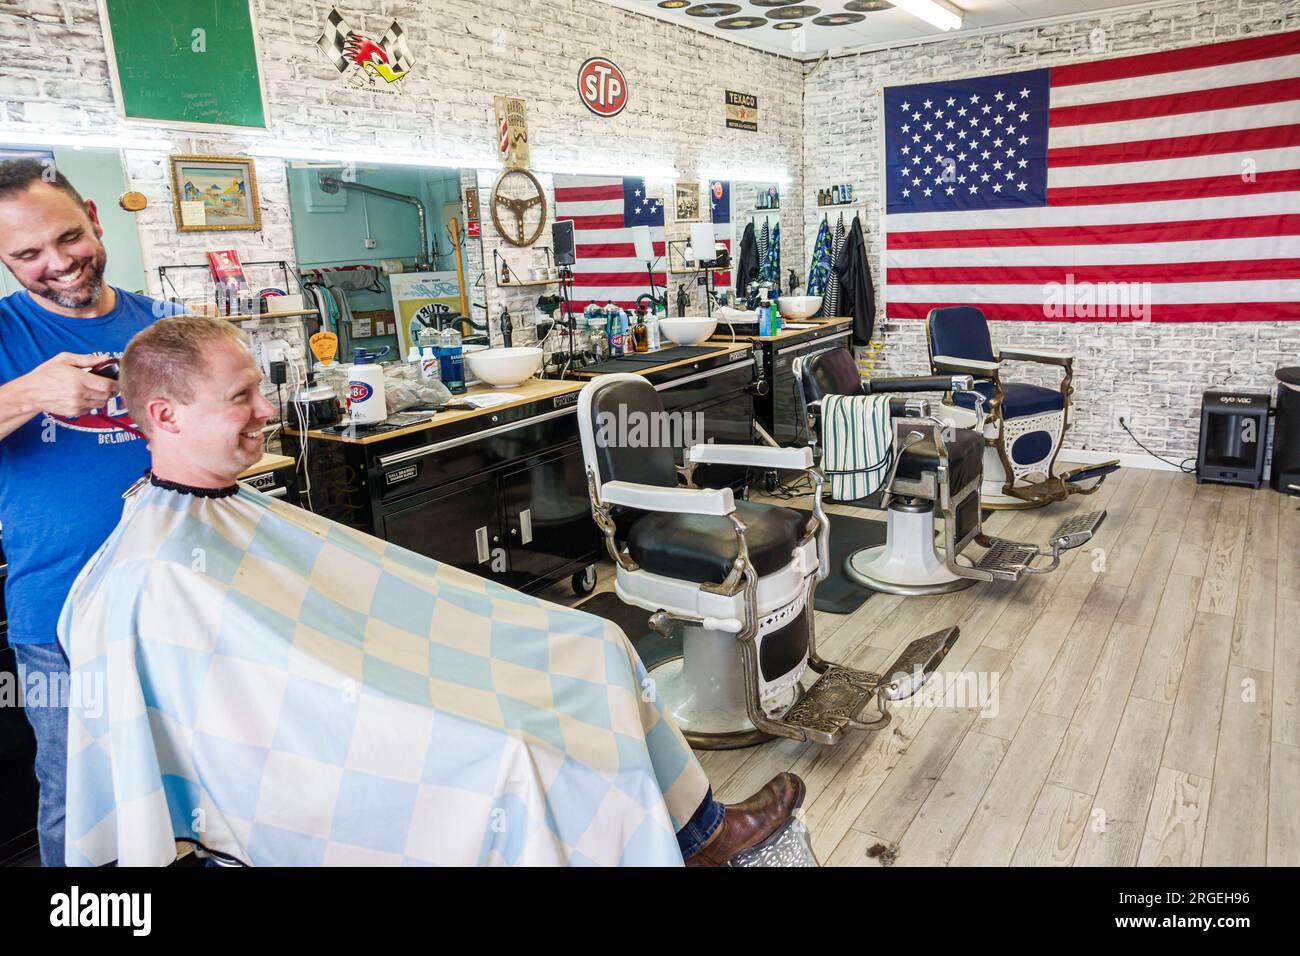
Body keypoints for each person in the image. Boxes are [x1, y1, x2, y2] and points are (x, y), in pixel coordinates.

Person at [58, 315, 809, 866]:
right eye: (242, 396)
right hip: (338, 735)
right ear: (164, 415)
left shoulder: (230, 508)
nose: (266, 410)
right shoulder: (148, 576)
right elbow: (264, 725)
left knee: (595, 642)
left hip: (382, 667)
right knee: (521, 748)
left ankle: (698, 834)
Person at [0, 157, 178, 865]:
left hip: (176, 601)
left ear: (96, 220)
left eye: (68, 237)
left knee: (188, 776)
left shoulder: (161, 326)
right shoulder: (6, 335)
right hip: (61, 619)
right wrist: (29, 395)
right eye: (27, 254)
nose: (59, 264)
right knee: (82, 797)